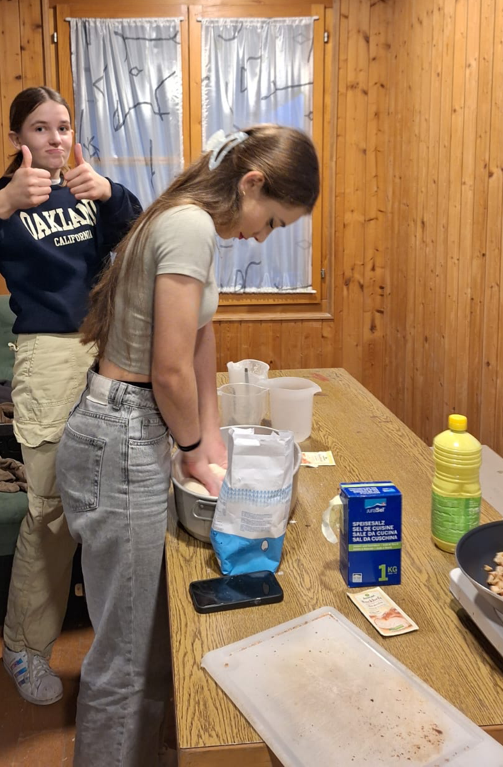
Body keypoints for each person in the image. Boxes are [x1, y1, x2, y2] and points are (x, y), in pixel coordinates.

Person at [56, 124, 320, 766]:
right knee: (125, 659)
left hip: (133, 428)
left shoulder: (193, 224)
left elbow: (202, 341)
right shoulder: (190, 226)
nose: (264, 236)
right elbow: (169, 370)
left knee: (149, 642)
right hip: (120, 433)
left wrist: (211, 442)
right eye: (273, 221)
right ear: (251, 183)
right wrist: (194, 443)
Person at [0, 85, 142, 705]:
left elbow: (146, 241)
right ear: (17, 139)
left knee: (118, 502)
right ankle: (23, 648)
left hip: (109, 350)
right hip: (46, 356)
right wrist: (0, 204)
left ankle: (119, 644)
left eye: (63, 127)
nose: (55, 138)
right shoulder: (2, 199)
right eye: (41, 128)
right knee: (50, 510)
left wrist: (113, 194)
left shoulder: (87, 191)